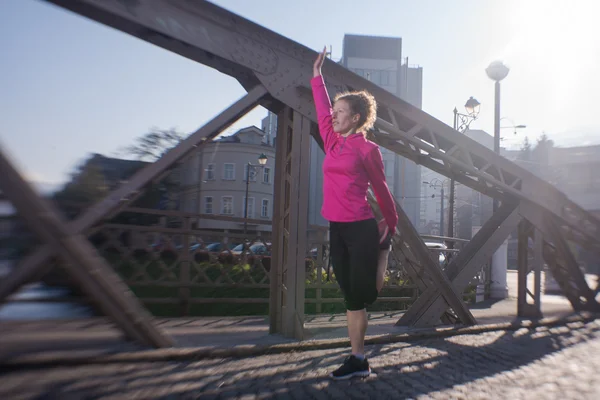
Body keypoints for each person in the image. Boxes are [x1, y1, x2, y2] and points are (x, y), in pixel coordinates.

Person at [311, 47, 398, 380]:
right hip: (337, 226)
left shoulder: (367, 149)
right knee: (349, 291)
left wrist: (390, 224)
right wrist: (317, 76)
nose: (333, 115)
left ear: (356, 117)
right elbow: (320, 108)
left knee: (361, 295)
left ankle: (357, 357)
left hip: (361, 227)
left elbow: (381, 188)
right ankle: (359, 360)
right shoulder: (332, 141)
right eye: (334, 110)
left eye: (340, 111)